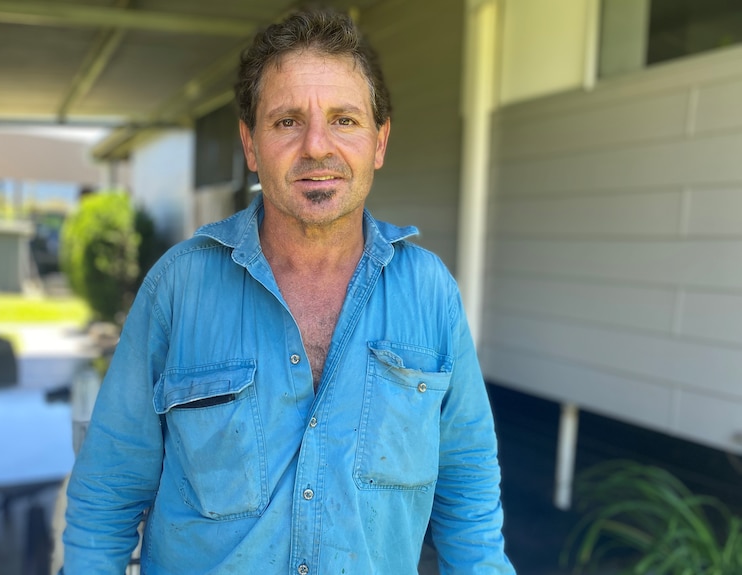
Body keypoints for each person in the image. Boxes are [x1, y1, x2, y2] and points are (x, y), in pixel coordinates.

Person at [62, 8, 514, 574]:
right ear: (250, 145)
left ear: (380, 141)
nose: (317, 147)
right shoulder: (178, 288)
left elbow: (468, 489)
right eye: (287, 121)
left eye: (345, 120)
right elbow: (107, 492)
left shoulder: (430, 293)